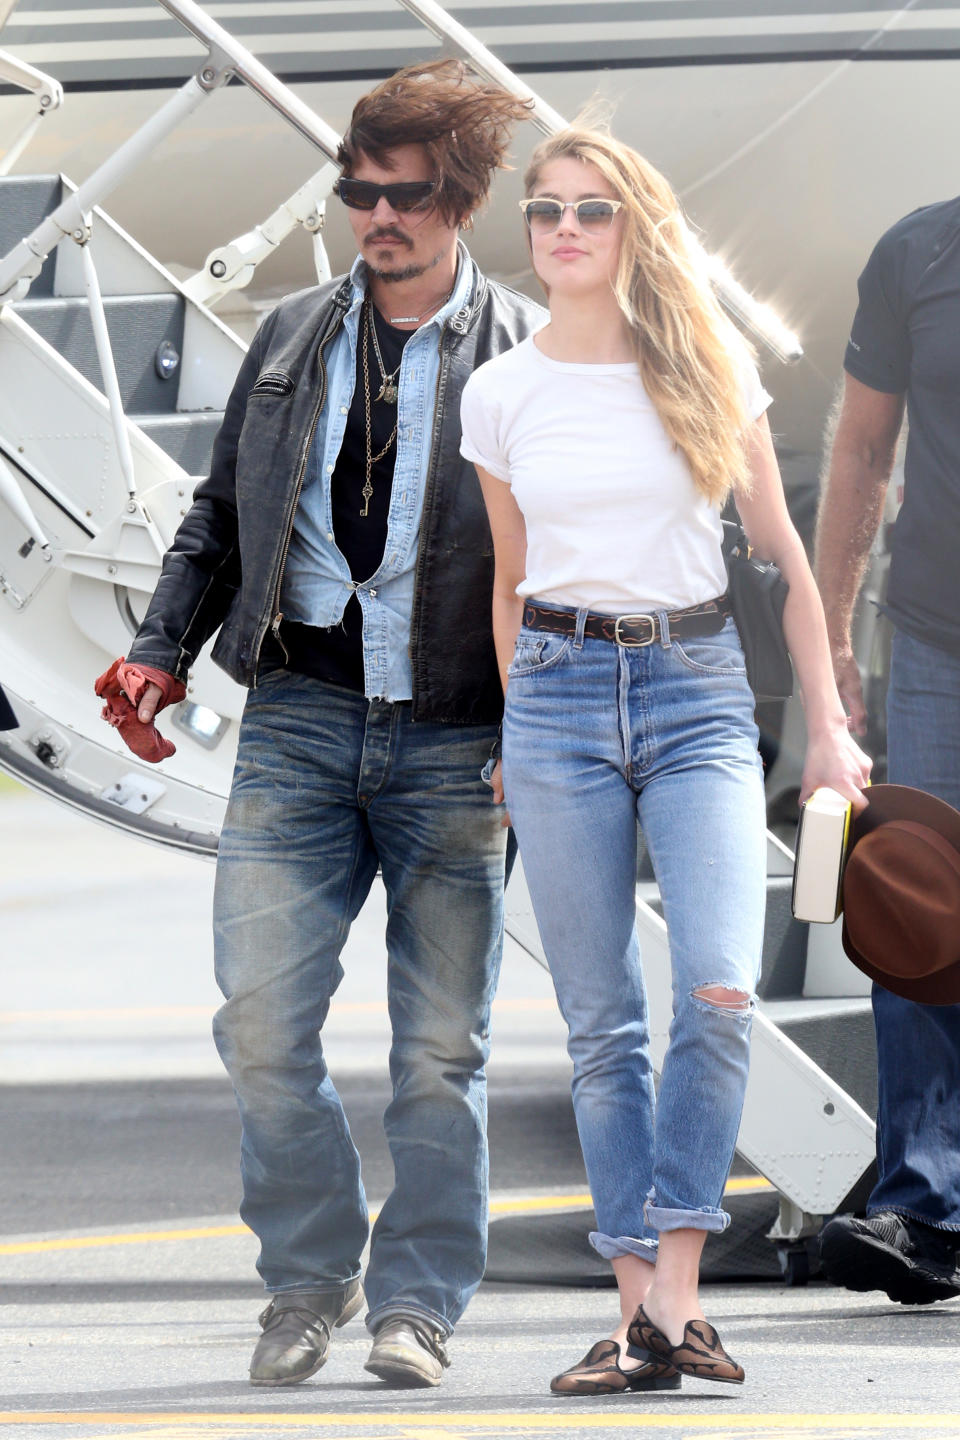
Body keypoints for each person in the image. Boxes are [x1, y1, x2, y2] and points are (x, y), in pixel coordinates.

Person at [98, 60, 544, 1388]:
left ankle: (418, 1302)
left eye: (404, 197)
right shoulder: (292, 333)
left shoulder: (524, 350)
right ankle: (307, 1279)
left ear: (456, 201)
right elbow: (220, 517)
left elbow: (561, 552)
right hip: (296, 715)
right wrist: (158, 651)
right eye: (360, 192)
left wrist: (554, 726)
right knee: (258, 1026)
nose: (377, 218)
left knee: (441, 1051)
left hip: (460, 733)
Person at [460, 124, 871, 1395]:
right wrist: (508, 729)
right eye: (545, 214)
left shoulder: (706, 368)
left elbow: (788, 566)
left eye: (591, 211)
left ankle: (675, 1294)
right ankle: (642, 1308)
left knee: (717, 992)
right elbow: (512, 583)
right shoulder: (502, 391)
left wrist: (830, 724)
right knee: (600, 1030)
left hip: (695, 695)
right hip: (558, 699)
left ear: (636, 227)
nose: (565, 233)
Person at [815, 196, 960, 1305]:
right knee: (917, 921)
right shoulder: (917, 248)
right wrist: (829, 635)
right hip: (937, 646)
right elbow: (862, 446)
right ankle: (923, 1209)